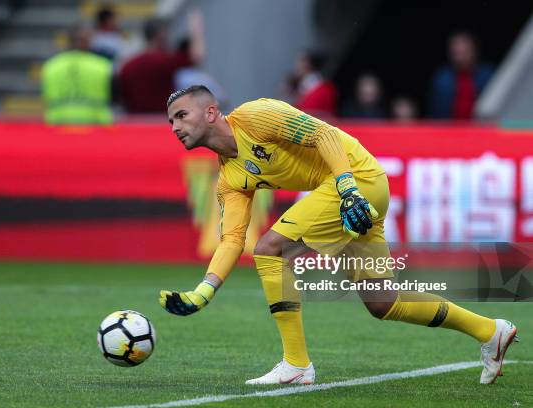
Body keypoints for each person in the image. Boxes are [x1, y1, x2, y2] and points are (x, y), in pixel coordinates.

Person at [161, 85, 518, 385]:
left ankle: (296, 364)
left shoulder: (256, 115)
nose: (175, 126)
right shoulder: (230, 179)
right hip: (352, 193)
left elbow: (325, 134)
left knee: (270, 248)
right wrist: (202, 293)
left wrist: (347, 188)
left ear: (210, 113)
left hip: (355, 181)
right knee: (384, 302)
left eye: (182, 115)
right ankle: (490, 331)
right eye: (171, 120)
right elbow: (231, 240)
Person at [118, 12, 204, 113]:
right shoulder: (165, 61)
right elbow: (197, 57)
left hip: (135, 123)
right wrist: (197, 31)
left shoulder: (127, 66)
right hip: (161, 121)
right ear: (161, 35)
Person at [41, 25, 113, 125]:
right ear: (88, 41)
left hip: (57, 125)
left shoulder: (51, 65)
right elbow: (114, 97)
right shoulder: (102, 66)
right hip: (95, 126)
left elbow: (46, 98)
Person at [428, 31, 493, 119]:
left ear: (475, 51)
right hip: (449, 129)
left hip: (481, 128)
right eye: (457, 52)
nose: (460, 57)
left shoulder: (488, 75)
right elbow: (436, 112)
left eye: (464, 51)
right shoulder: (441, 78)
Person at [291, 51, 337, 116]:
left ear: (308, 64)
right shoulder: (300, 87)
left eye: (301, 61)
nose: (297, 65)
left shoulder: (325, 89)